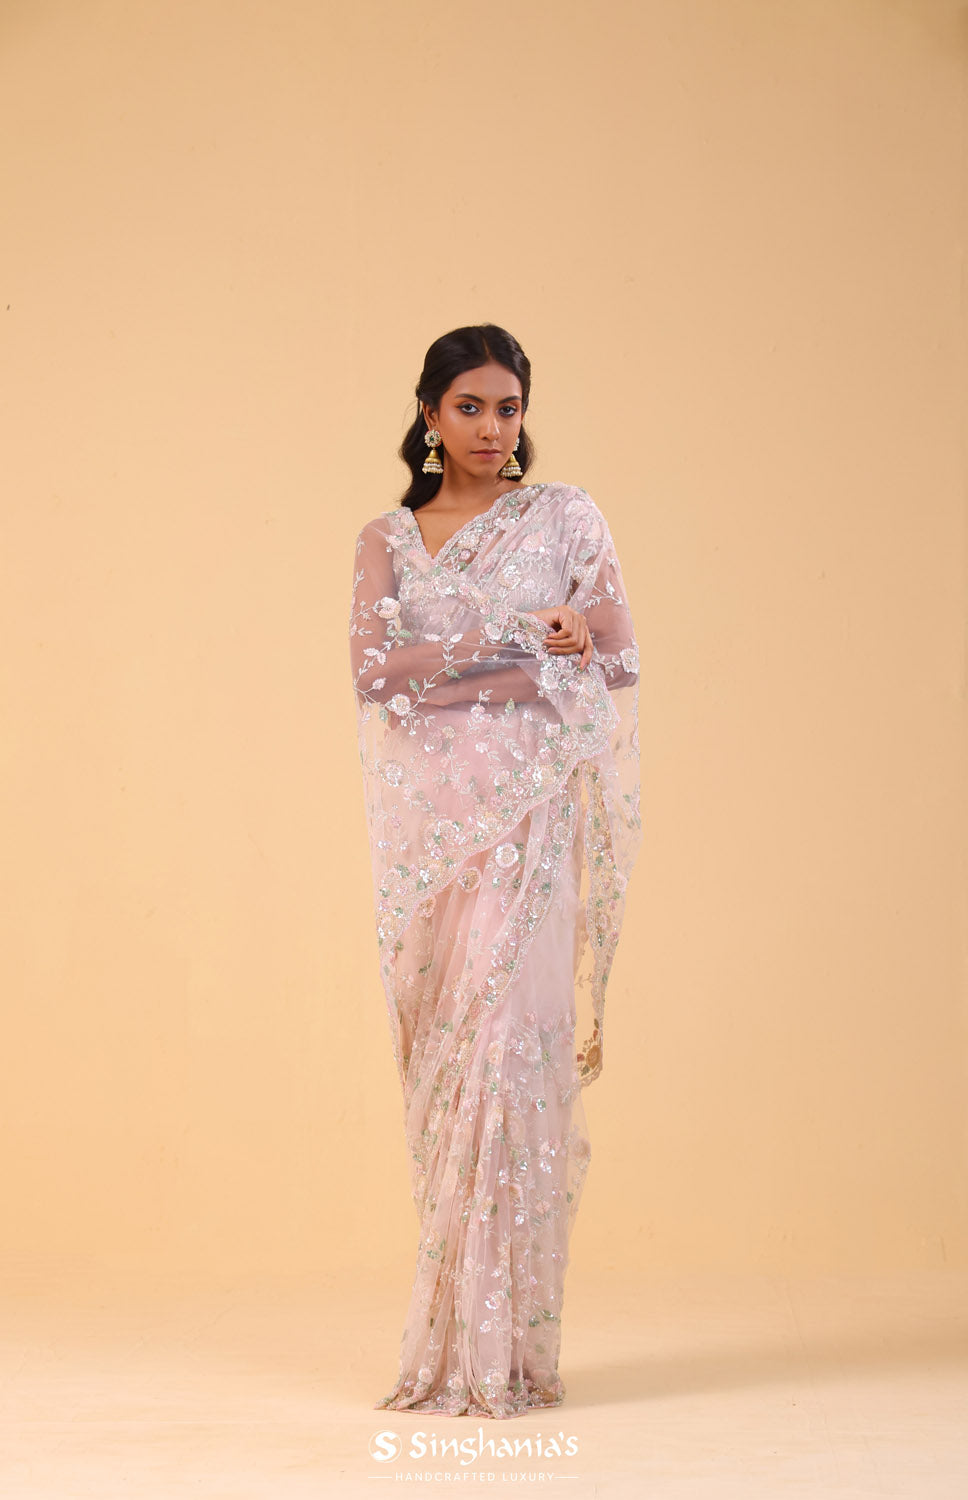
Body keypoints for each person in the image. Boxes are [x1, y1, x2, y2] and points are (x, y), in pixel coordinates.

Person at [349, 323, 641, 1419]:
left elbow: (617, 656)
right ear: (429, 415)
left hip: (528, 831)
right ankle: (449, 1340)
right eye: (467, 407)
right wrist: (527, 643)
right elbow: (377, 677)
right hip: (433, 843)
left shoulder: (565, 517)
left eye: (507, 408)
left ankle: (510, 1354)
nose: (490, 428)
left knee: (510, 1063)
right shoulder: (388, 537)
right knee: (445, 1069)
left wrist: (536, 651)